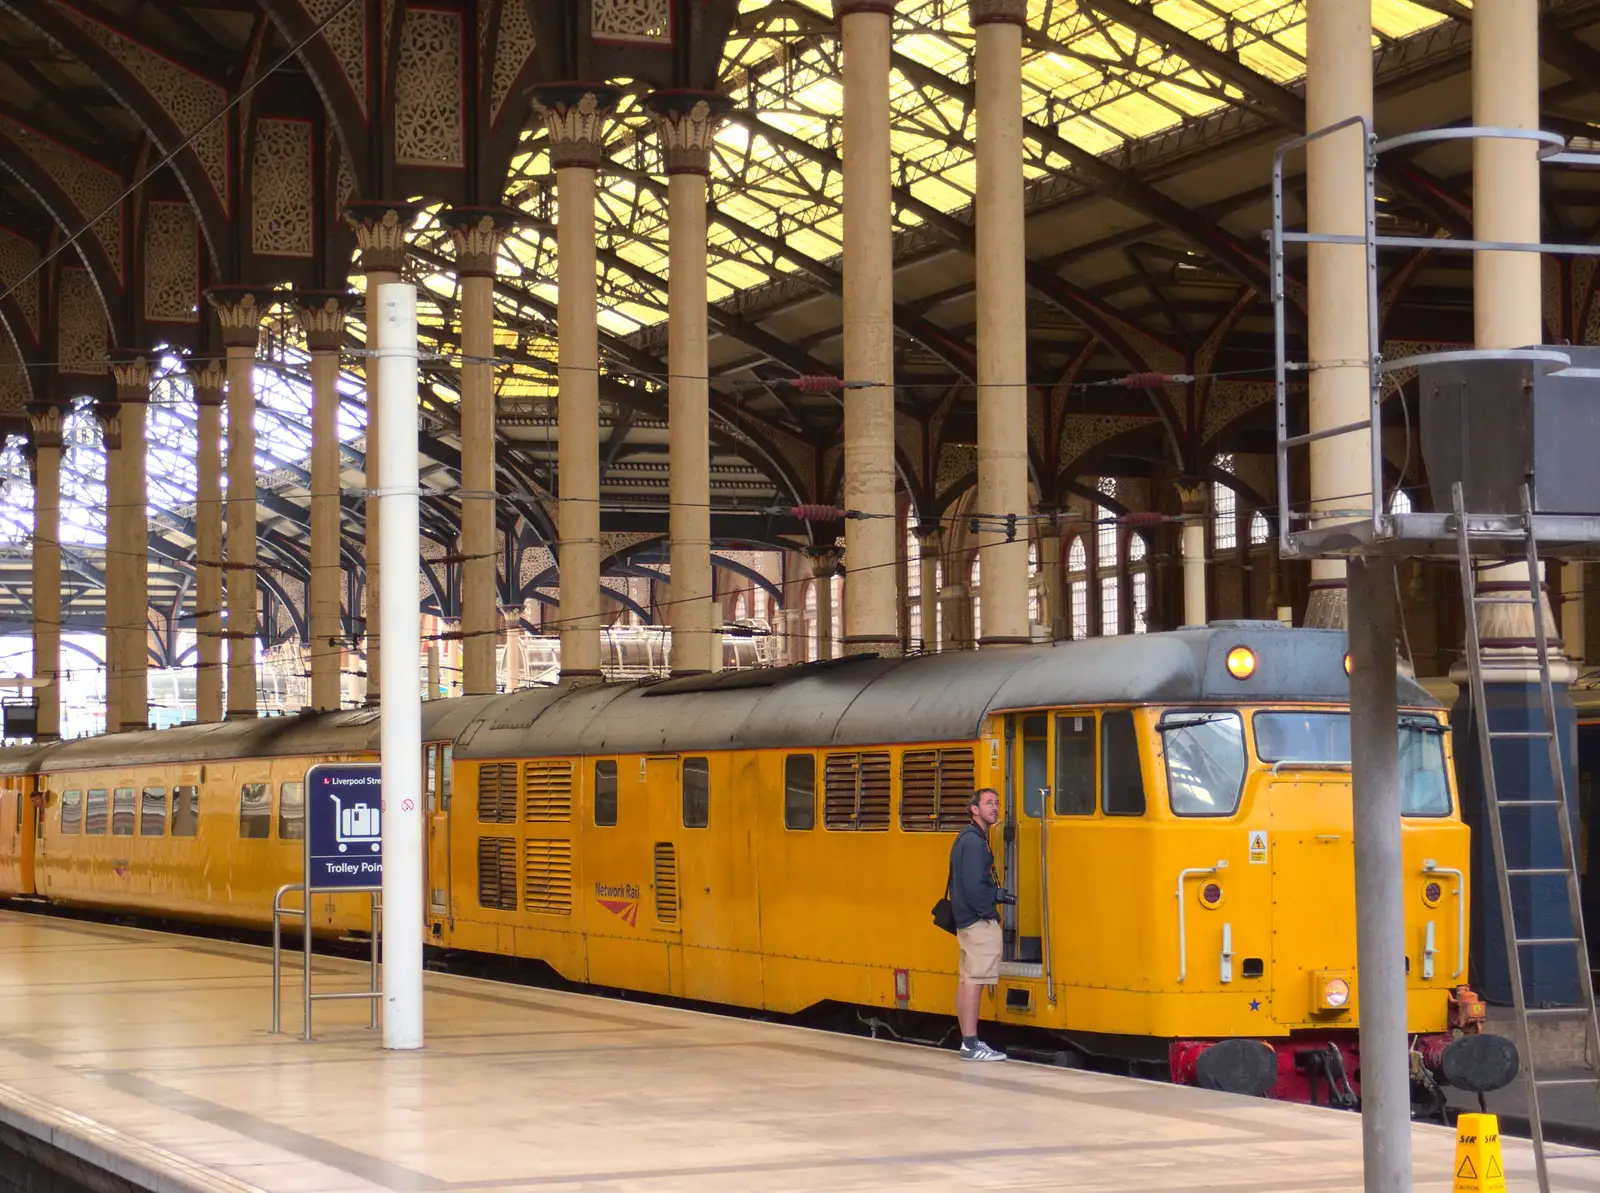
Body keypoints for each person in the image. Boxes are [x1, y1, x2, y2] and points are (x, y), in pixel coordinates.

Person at [949, 786, 1013, 1061]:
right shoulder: (975, 842)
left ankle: (967, 1041)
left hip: (965, 919)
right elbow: (974, 884)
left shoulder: (967, 838)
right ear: (974, 809)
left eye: (997, 803)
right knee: (975, 980)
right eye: (988, 803)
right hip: (977, 921)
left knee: (966, 980)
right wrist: (988, 912)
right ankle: (971, 1044)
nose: (994, 808)